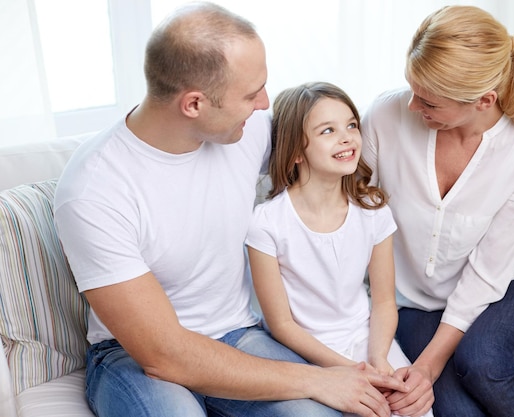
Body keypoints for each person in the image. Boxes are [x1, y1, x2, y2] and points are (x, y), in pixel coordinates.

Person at [53, 3, 407, 417]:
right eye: (250, 92)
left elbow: (322, 140)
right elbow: (164, 354)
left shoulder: (247, 129)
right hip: (132, 358)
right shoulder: (94, 190)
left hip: (238, 334)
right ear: (193, 104)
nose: (264, 104)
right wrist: (320, 378)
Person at [360, 5, 514, 417]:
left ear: (484, 100)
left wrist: (429, 364)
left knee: (481, 363)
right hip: (415, 298)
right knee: (454, 409)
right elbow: (355, 209)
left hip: (510, 283)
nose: (413, 106)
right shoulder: (385, 116)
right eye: (412, 89)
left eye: (429, 101)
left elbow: (489, 269)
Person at [245, 82, 434, 417]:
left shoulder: (373, 210)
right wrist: (350, 371)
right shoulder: (266, 223)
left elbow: (385, 301)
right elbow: (281, 325)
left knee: (409, 409)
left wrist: (377, 360)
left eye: (351, 125)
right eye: (328, 130)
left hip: (369, 340)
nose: (347, 137)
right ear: (297, 151)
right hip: (305, 353)